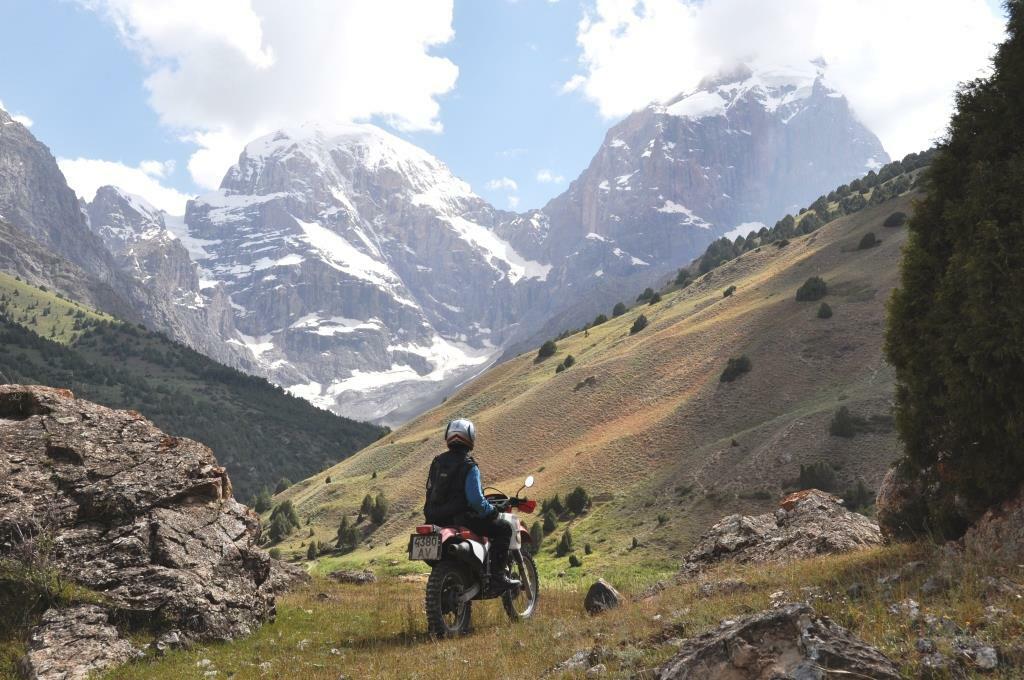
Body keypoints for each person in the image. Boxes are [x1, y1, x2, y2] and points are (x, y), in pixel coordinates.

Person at [423, 418, 517, 591]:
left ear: (448, 437)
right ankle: (497, 576)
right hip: (464, 519)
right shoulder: (469, 465)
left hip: (436, 520)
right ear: (470, 438)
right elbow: (475, 500)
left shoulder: (437, 462)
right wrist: (492, 512)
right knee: (504, 529)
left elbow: (430, 491)